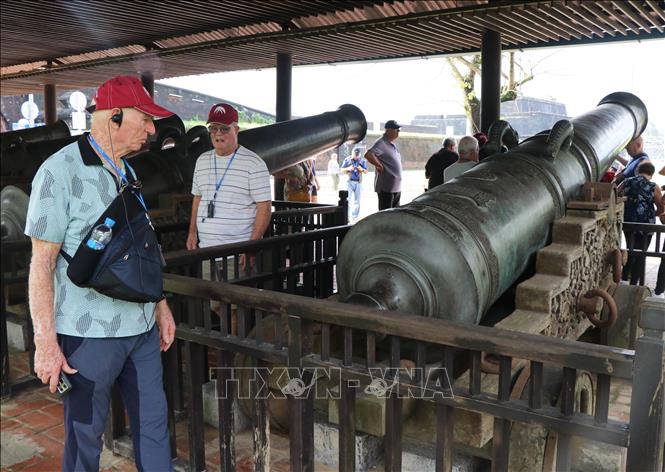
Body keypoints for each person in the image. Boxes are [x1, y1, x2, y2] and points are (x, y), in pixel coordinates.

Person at [25, 75, 176, 471]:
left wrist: (160, 306)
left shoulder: (128, 171)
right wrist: (45, 343)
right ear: (115, 117)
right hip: (87, 336)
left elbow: (143, 246)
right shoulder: (59, 172)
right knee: (84, 437)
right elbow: (41, 263)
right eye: (144, 120)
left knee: (155, 428)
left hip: (140, 329)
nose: (152, 130)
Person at [187, 102, 272, 260]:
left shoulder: (254, 164)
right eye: (213, 128)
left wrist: (250, 248)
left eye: (224, 128)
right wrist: (192, 232)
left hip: (237, 253)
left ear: (236, 130)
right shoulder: (202, 161)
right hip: (205, 251)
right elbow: (197, 198)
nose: (218, 133)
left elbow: (264, 208)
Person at [618, 161, 664, 286]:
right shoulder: (653, 186)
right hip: (646, 226)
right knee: (641, 254)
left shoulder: (627, 182)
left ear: (638, 171)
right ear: (651, 174)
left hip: (628, 224)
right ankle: (634, 284)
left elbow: (615, 194)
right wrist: (652, 214)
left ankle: (623, 280)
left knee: (630, 249)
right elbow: (661, 208)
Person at [365, 120, 403, 210]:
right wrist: (379, 165)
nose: (398, 132)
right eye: (396, 130)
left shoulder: (391, 144)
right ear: (387, 130)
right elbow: (368, 155)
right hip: (386, 188)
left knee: (394, 214)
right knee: (385, 214)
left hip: (396, 187)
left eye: (399, 130)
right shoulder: (381, 143)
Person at [341, 147, 368, 221]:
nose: (356, 156)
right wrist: (348, 168)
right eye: (355, 155)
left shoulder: (362, 161)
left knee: (357, 201)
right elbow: (341, 170)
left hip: (358, 182)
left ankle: (354, 216)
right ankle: (347, 217)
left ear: (359, 154)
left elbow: (366, 171)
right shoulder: (347, 160)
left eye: (357, 155)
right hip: (349, 182)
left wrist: (361, 169)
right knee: (348, 200)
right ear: (352, 153)